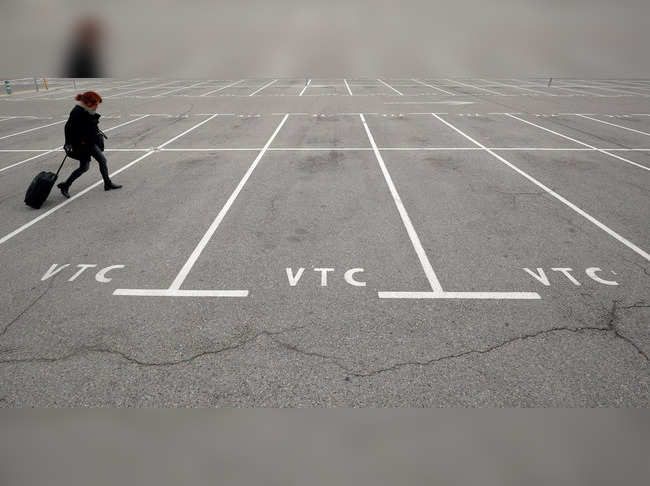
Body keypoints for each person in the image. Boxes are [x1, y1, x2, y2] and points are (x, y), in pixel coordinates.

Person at [58, 91, 121, 198]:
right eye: (96, 103)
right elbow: (68, 128)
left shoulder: (87, 111)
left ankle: (107, 183)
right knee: (87, 166)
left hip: (89, 142)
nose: (97, 106)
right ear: (88, 103)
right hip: (82, 145)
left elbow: (89, 126)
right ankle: (66, 185)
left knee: (96, 163)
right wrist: (69, 144)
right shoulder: (77, 112)